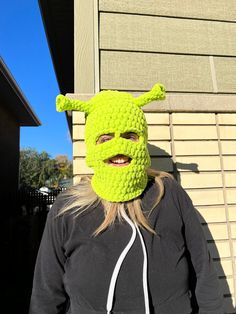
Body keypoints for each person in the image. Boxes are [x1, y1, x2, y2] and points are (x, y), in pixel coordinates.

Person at [29, 84, 224, 314]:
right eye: (106, 138)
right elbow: (46, 296)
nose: (119, 147)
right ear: (91, 145)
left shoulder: (170, 194)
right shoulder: (67, 208)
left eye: (130, 136)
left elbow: (204, 273)